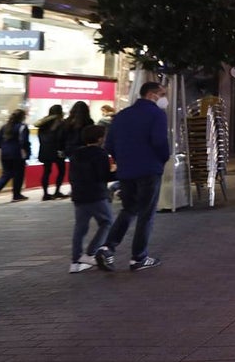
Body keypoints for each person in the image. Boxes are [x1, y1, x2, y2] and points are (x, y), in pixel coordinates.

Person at [95, 82, 169, 272]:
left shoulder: (122, 115)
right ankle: (139, 257)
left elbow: (109, 144)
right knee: (146, 214)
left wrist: (123, 160)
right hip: (149, 169)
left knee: (129, 209)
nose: (164, 98)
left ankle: (107, 248)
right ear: (152, 95)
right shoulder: (157, 114)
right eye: (162, 94)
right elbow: (160, 142)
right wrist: (162, 159)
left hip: (126, 171)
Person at [68, 124, 114, 273]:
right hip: (96, 194)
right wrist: (116, 172)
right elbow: (103, 176)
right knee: (107, 222)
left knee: (80, 227)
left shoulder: (76, 153)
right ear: (100, 139)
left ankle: (75, 261)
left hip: (79, 195)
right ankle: (91, 253)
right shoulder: (100, 154)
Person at [0, 109, 31, 204]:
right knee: (18, 175)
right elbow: (25, 142)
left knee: (6, 174)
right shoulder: (22, 127)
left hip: (5, 154)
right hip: (17, 154)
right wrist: (27, 154)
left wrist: (4, 147)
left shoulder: (5, 127)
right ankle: (16, 195)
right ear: (22, 117)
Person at [34, 104, 66, 201]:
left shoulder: (43, 123)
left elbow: (40, 137)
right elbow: (61, 137)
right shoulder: (60, 122)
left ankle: (45, 194)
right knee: (61, 171)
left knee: (46, 172)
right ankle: (57, 191)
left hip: (45, 150)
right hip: (57, 150)